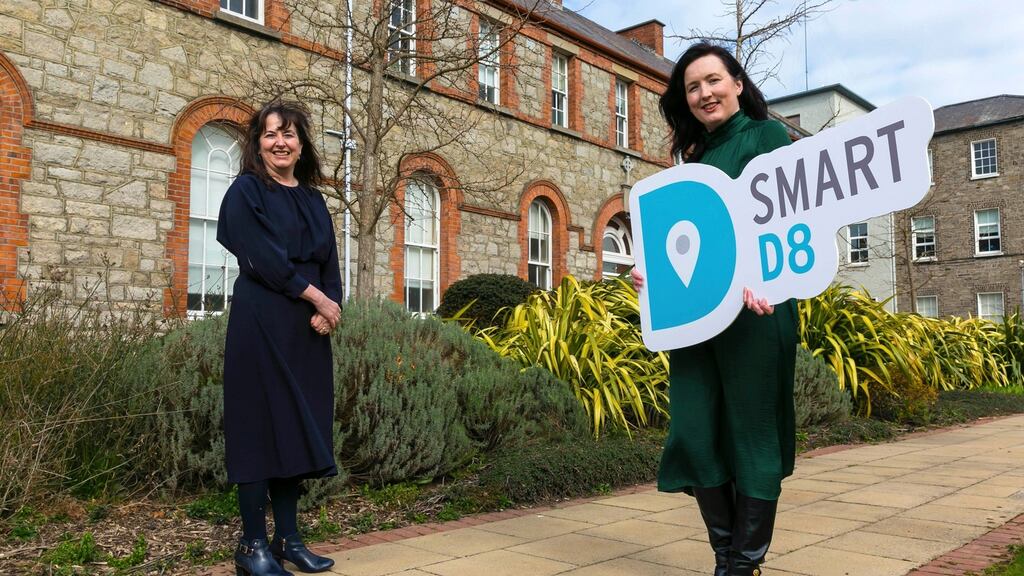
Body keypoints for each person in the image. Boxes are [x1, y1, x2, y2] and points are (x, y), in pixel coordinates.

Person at [631, 43, 798, 576]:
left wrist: (768, 279)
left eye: (713, 80)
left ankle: (739, 565)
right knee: (695, 432)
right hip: (697, 319)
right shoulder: (691, 162)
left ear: (738, 84)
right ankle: (727, 557)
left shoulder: (766, 136)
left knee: (751, 434)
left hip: (757, 314)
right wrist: (652, 275)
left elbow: (785, 222)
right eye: (693, 87)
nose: (704, 93)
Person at [217, 100, 343, 576]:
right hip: (261, 320)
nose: (280, 142)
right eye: (271, 134)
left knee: (295, 427)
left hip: (307, 330)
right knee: (257, 428)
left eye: (289, 134)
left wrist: (330, 309)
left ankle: (287, 539)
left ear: (302, 143)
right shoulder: (246, 191)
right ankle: (252, 547)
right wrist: (317, 298)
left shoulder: (313, 199)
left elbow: (330, 262)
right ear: (258, 143)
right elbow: (263, 260)